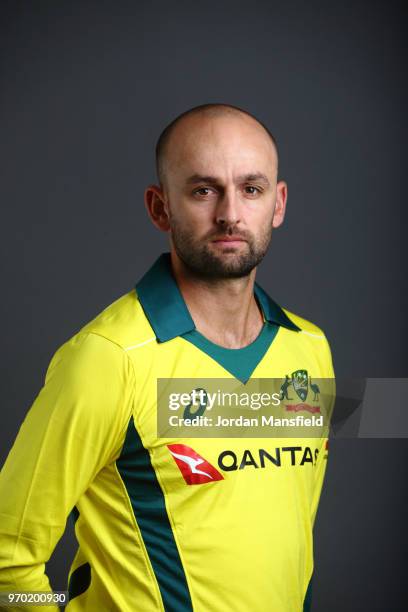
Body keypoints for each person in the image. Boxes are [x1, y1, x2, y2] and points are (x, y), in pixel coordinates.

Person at [0, 103, 335, 612]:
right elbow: (7, 562)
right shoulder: (108, 359)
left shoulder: (310, 349)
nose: (229, 213)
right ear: (160, 208)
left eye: (251, 189)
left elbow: (289, 538)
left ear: (279, 203)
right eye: (203, 190)